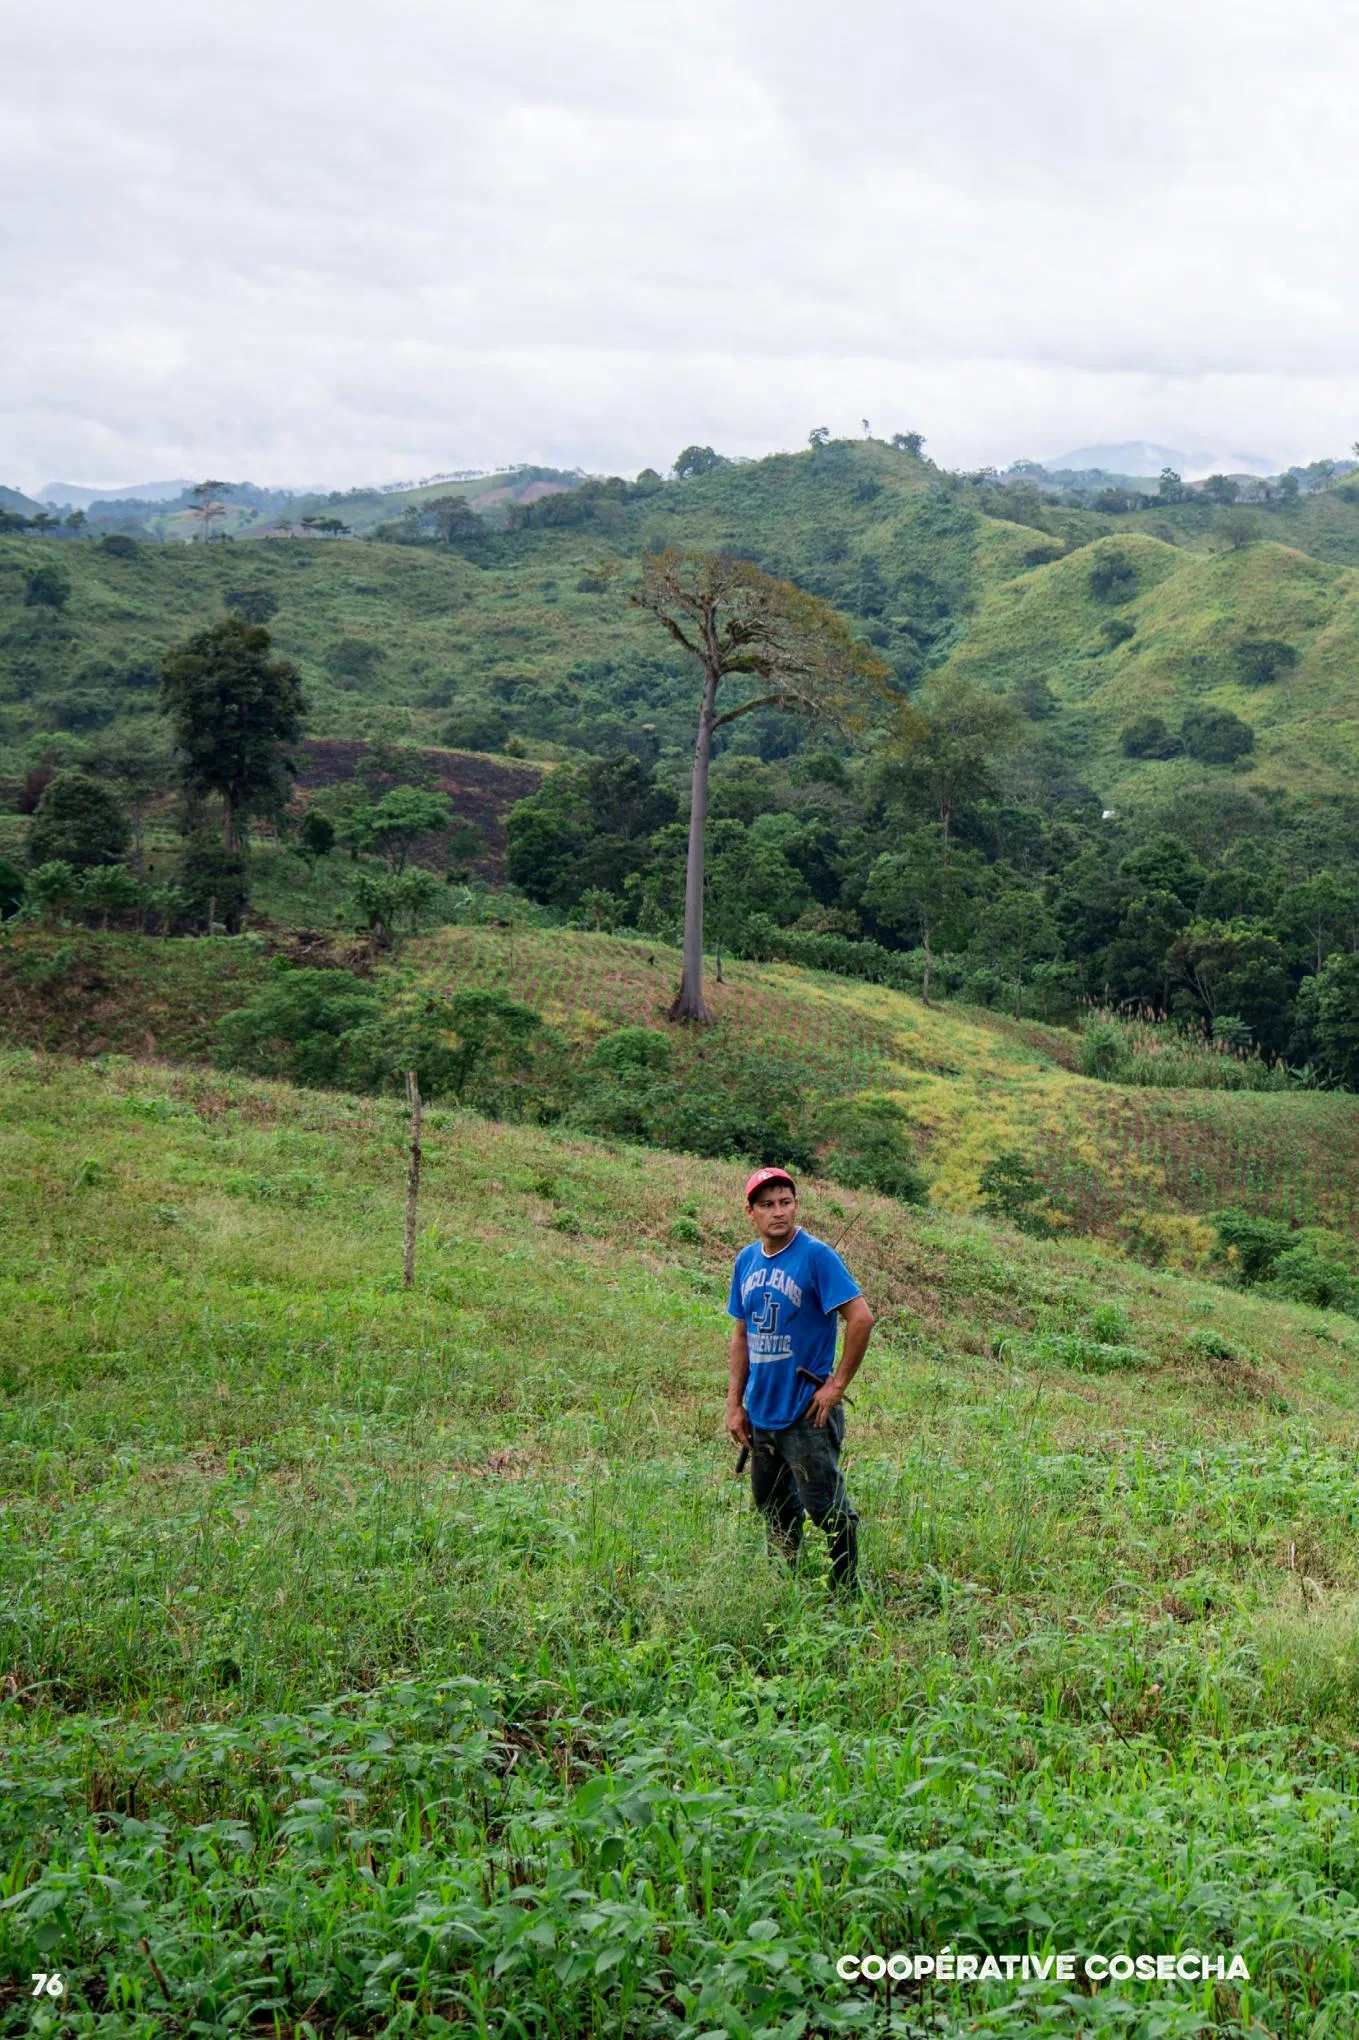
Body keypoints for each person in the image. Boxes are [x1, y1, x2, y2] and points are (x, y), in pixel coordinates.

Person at [725, 1167, 874, 1588]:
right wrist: (735, 1404)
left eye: (785, 1202)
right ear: (750, 1211)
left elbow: (861, 1319)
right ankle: (785, 1586)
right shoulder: (746, 1260)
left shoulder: (817, 1256)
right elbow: (741, 1334)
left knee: (826, 1509)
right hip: (762, 1412)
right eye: (767, 1205)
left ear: (796, 1206)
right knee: (774, 1508)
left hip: (808, 1412)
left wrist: (836, 1385)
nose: (778, 1212)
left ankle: (844, 1591)